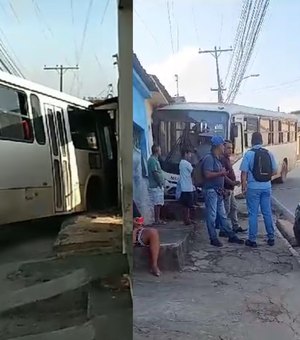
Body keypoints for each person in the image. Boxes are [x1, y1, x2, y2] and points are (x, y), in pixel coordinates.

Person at [202, 135, 244, 247]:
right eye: (222, 145)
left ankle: (231, 236)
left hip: (218, 191)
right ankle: (213, 238)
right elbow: (207, 174)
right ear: (218, 146)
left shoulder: (217, 159)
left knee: (223, 215)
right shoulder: (209, 158)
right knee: (212, 216)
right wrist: (221, 174)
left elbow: (223, 176)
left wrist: (231, 183)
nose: (224, 147)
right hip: (211, 191)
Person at [240, 132, 278, 247]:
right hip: (266, 187)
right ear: (261, 141)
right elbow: (275, 171)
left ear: (252, 141)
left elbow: (243, 173)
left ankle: (252, 240)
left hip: (253, 188)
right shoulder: (269, 153)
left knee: (253, 213)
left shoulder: (249, 154)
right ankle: (271, 237)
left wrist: (243, 187)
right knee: (267, 212)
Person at [217, 140, 247, 237]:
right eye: (228, 148)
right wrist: (233, 182)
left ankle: (235, 226)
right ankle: (223, 229)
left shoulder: (227, 159)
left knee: (233, 208)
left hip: (230, 189)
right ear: (223, 148)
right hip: (226, 188)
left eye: (231, 148)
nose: (230, 150)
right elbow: (223, 176)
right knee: (226, 210)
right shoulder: (222, 159)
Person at [133, 201, 161, 276]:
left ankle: (154, 265)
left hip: (135, 230)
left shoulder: (130, 202)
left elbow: (139, 218)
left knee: (153, 232)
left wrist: (137, 223)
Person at [147, 144, 165, 225]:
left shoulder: (155, 160)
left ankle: (158, 219)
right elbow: (155, 173)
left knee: (159, 203)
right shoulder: (152, 160)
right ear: (157, 151)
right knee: (156, 203)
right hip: (155, 185)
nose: (161, 151)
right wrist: (159, 182)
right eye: (160, 150)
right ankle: (156, 219)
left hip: (157, 185)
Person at [179, 148, 196, 225]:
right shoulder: (186, 163)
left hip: (183, 187)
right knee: (189, 205)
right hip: (188, 188)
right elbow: (194, 172)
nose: (190, 156)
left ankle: (186, 219)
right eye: (189, 154)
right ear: (185, 154)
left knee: (185, 206)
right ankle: (188, 219)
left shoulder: (181, 163)